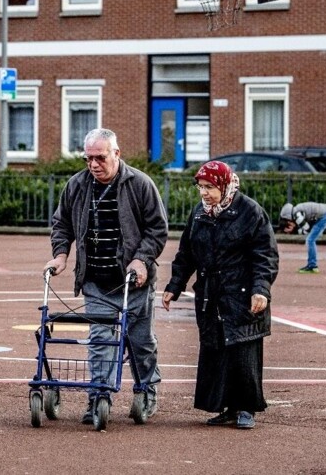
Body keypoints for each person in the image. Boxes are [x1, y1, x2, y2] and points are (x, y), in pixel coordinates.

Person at [45, 128, 168, 426]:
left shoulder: (140, 184)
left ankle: (146, 389)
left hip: (133, 282)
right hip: (96, 281)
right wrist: (61, 254)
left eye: (100, 157)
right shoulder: (76, 185)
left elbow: (157, 228)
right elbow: (61, 223)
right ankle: (98, 396)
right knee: (100, 340)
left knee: (140, 341)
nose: (93, 164)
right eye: (88, 158)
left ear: (117, 154)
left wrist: (141, 260)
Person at [161, 160, 279, 430]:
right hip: (210, 294)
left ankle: (246, 408)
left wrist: (261, 289)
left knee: (242, 352)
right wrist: (174, 286)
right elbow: (186, 254)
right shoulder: (200, 213)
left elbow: (265, 256)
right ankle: (226, 407)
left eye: (210, 187)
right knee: (216, 351)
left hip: (241, 293)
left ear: (224, 185)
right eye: (201, 187)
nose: (204, 193)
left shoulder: (250, 211)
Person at [279, 202, 326, 274]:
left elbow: (307, 229)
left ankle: (312, 266)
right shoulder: (296, 211)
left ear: (288, 219)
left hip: (323, 217)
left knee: (310, 240)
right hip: (324, 215)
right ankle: (312, 265)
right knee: (310, 240)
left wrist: (295, 230)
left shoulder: (297, 216)